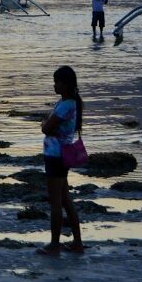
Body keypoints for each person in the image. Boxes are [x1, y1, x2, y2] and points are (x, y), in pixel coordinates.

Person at [37, 66, 84, 256]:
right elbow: (50, 125)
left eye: (57, 81)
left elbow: (46, 127)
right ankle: (77, 243)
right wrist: (47, 124)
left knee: (56, 202)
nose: (54, 85)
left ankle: (55, 244)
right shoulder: (69, 102)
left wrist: (44, 123)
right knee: (65, 200)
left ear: (67, 84)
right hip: (60, 155)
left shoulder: (66, 105)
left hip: (56, 156)